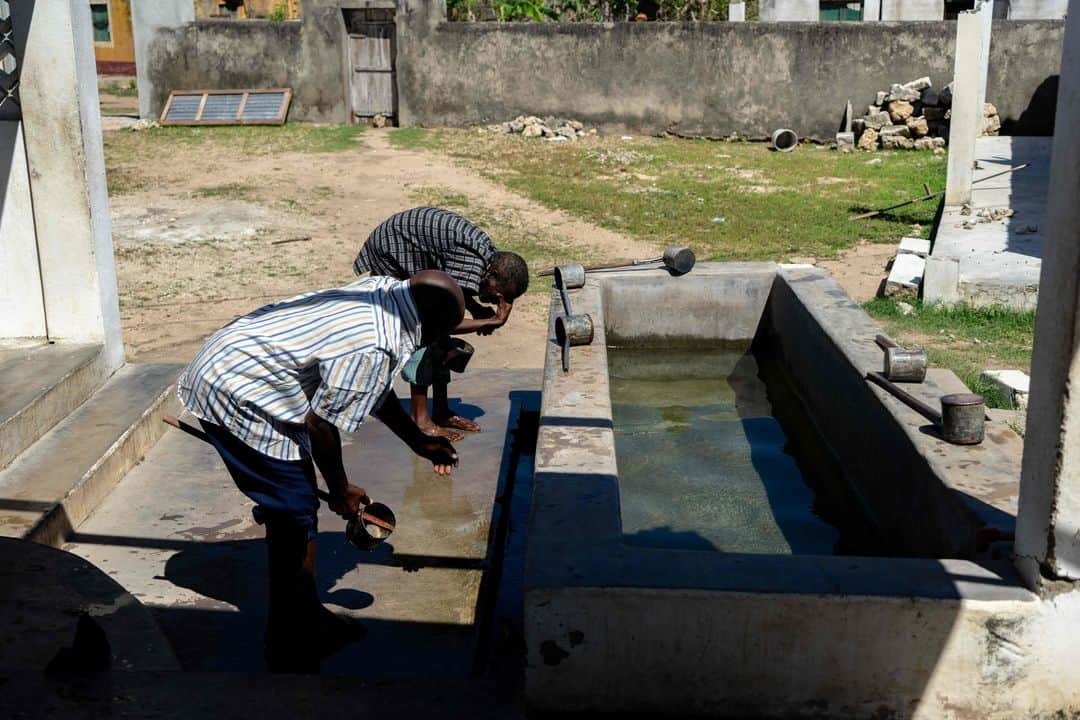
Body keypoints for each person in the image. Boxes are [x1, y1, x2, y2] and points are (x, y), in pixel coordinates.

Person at [177, 270, 464, 673]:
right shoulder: (377, 343)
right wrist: (342, 489)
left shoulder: (385, 293)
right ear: (431, 325)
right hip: (237, 386)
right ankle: (289, 640)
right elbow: (321, 424)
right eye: (442, 334)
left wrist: (416, 440)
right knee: (294, 511)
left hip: (241, 358)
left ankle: (304, 613)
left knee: (294, 504)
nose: (439, 343)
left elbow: (370, 385)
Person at [353, 206, 529, 440]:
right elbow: (443, 321)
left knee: (441, 340)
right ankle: (421, 419)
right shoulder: (474, 264)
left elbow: (453, 289)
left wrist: (476, 310)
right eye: (499, 296)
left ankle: (442, 410)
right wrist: (491, 320)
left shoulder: (486, 262)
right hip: (393, 251)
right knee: (421, 329)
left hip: (412, 249)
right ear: (492, 274)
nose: (497, 301)